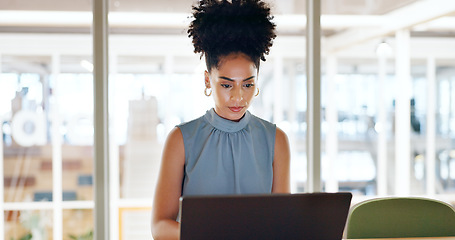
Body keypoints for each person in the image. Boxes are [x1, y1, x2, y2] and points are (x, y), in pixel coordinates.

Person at [151, 0, 290, 239]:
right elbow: (160, 226)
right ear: (208, 80)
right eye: (226, 84)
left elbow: (282, 223)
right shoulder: (181, 140)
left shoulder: (276, 140)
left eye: (248, 84)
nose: (238, 96)